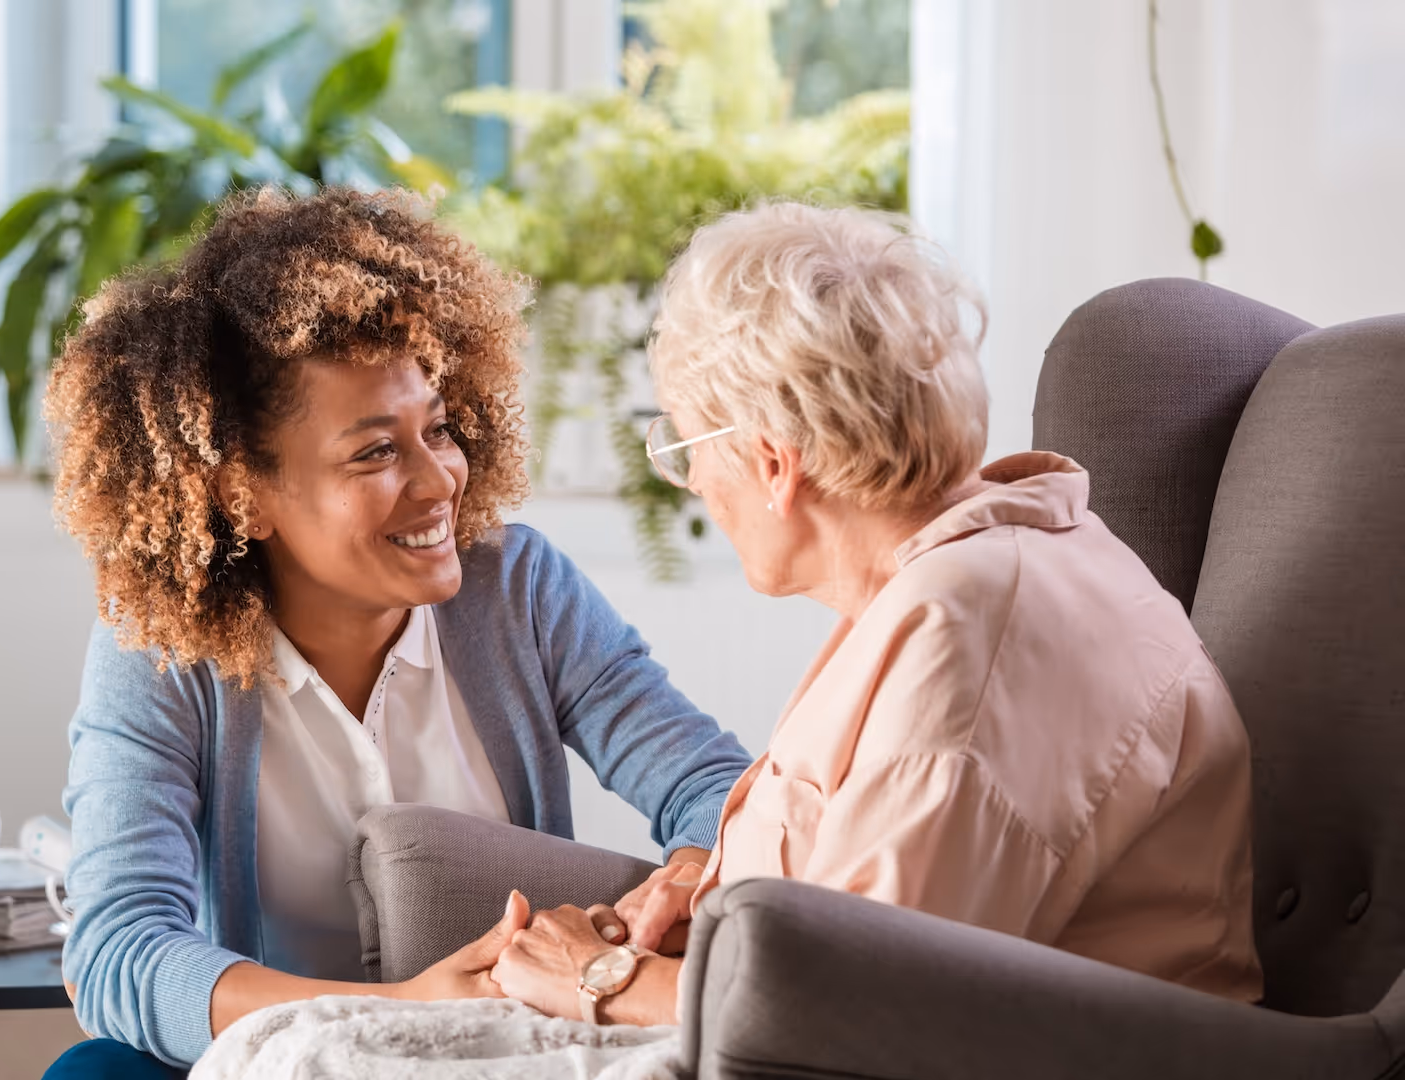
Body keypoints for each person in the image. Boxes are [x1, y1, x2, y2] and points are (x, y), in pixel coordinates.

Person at [490, 201, 1263, 1026]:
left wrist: (603, 978)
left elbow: (863, 1015)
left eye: (683, 449)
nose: (698, 487)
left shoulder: (970, 635)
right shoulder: (963, 575)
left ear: (772, 461)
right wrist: (718, 899)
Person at [40, 186, 753, 1078]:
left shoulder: (519, 590)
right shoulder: (160, 649)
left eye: (439, 429)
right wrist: (398, 1014)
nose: (440, 480)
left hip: (498, 1055)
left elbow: (717, 789)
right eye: (375, 452)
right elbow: (118, 952)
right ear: (241, 494)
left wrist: (684, 879)